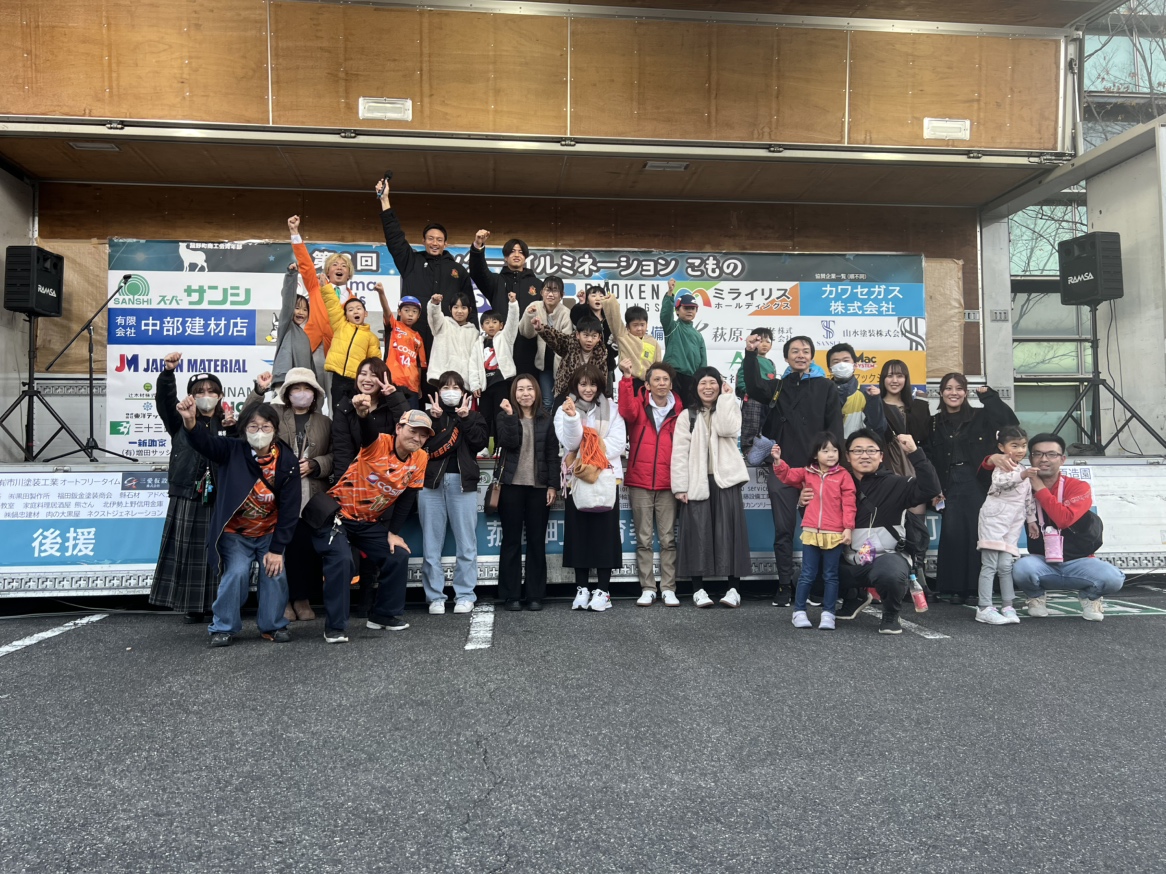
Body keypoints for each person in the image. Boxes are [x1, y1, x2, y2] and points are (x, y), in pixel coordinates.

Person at [177, 397, 300, 647]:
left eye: (266, 426)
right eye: (253, 426)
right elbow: (204, 443)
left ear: (275, 430)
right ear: (244, 429)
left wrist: (277, 549)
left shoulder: (287, 461)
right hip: (235, 534)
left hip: (269, 532)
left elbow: (290, 508)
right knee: (236, 573)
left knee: (275, 573)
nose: (259, 432)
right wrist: (190, 421)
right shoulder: (231, 450)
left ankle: (273, 625)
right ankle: (223, 627)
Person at [313, 405, 432, 643]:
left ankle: (383, 615)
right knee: (342, 561)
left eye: (423, 435)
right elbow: (368, 432)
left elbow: (407, 497)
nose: (417, 438)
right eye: (413, 431)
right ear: (398, 428)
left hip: (367, 522)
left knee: (397, 554)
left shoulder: (421, 457)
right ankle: (335, 627)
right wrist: (363, 415)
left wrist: (393, 533)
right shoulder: (378, 444)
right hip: (337, 515)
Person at [742, 333, 843, 606]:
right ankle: (784, 585)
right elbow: (753, 385)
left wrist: (834, 467)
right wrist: (750, 355)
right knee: (783, 531)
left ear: (812, 357)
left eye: (806, 351)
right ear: (786, 357)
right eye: (795, 351)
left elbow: (835, 429)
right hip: (782, 470)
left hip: (816, 472)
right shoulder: (778, 385)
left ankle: (817, 586)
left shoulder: (826, 387)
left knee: (820, 531)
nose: (801, 355)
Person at [149, 353, 235, 623]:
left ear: (220, 395)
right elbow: (165, 401)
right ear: (191, 397)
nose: (206, 395)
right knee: (188, 550)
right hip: (188, 492)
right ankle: (191, 605)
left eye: (212, 391)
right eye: (200, 392)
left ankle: (219, 603)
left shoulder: (228, 423)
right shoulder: (180, 420)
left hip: (220, 496)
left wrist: (234, 429)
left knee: (219, 550)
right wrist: (167, 374)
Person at [246, 367, 333, 623]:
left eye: (307, 389)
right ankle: (281, 598)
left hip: (311, 492)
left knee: (305, 547)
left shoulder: (324, 422)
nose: (302, 393)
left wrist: (316, 464)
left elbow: (336, 455)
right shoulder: (274, 413)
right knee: (280, 545)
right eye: (296, 388)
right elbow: (247, 421)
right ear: (287, 393)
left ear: (315, 394)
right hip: (278, 491)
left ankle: (302, 598)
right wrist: (258, 391)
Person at [925, 373, 1018, 605]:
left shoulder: (980, 415)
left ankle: (978, 588)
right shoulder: (934, 422)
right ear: (941, 393)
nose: (953, 393)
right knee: (953, 533)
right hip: (948, 481)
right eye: (948, 388)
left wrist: (989, 397)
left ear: (966, 392)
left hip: (977, 479)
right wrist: (934, 489)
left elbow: (1009, 422)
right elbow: (929, 457)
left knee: (979, 532)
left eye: (959, 388)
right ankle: (953, 588)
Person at [1010, 433, 1125, 621]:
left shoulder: (1078, 486)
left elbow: (1063, 519)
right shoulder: (1022, 487)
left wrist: (1040, 488)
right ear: (1030, 458)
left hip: (1080, 561)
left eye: (1051, 454)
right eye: (1038, 454)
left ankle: (1090, 597)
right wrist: (992, 460)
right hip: (1042, 561)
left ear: (1062, 459)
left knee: (1114, 578)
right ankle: (1036, 597)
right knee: (1021, 568)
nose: (1044, 459)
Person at [837, 429, 941, 634]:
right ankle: (854, 597)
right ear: (848, 456)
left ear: (881, 456)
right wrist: (804, 502)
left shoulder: (897, 483)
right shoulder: (838, 484)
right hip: (850, 559)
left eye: (871, 450)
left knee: (889, 573)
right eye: (858, 450)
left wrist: (915, 453)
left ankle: (891, 613)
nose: (864, 455)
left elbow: (930, 489)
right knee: (807, 577)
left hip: (887, 557)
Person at [672, 367, 752, 608]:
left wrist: (727, 398)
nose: (708, 388)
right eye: (703, 383)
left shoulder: (729, 407)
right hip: (697, 482)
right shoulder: (687, 415)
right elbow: (679, 453)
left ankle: (733, 589)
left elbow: (728, 429)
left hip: (725, 481)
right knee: (697, 535)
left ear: (720, 385)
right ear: (695, 388)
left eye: (713, 383)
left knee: (730, 535)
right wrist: (680, 486)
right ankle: (698, 590)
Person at [377, 177, 476, 362]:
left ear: (445, 244)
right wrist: (385, 200)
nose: (434, 243)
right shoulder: (411, 261)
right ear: (423, 241)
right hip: (411, 336)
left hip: (447, 340)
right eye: (430, 238)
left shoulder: (458, 271)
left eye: (439, 240)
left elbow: (470, 307)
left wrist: (472, 339)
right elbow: (395, 238)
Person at [555, 364, 626, 613]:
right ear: (575, 385)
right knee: (579, 535)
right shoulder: (564, 409)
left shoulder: (612, 409)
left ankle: (603, 591)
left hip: (606, 478)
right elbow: (569, 441)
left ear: (600, 386)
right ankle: (582, 588)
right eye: (583, 384)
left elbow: (618, 443)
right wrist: (573, 418)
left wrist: (588, 450)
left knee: (605, 535)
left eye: (593, 384)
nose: (588, 389)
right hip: (577, 479)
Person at [420, 372, 489, 614]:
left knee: (466, 544)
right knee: (431, 544)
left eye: (456, 387)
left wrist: (466, 418)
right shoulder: (427, 417)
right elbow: (421, 446)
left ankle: (465, 595)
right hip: (430, 484)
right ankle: (435, 597)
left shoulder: (475, 416)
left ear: (463, 392)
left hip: (462, 483)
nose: (451, 391)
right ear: (438, 392)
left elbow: (479, 443)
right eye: (446, 387)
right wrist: (435, 419)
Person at [772, 433, 856, 630]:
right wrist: (777, 461)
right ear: (815, 454)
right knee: (807, 574)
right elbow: (787, 475)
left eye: (834, 450)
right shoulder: (807, 472)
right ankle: (799, 612)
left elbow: (849, 503)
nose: (831, 454)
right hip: (811, 531)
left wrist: (848, 528)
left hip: (834, 533)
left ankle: (829, 614)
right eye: (825, 450)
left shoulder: (844, 475)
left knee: (831, 575)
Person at [618, 360, 684, 607]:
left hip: (668, 483)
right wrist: (627, 378)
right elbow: (626, 410)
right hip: (640, 481)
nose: (662, 383)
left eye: (666, 379)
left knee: (668, 539)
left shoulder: (680, 411)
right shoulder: (639, 405)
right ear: (647, 385)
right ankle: (647, 587)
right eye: (656, 379)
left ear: (671, 384)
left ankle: (668, 588)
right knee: (644, 540)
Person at [494, 374, 559, 611]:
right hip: (511, 486)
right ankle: (511, 595)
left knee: (536, 541)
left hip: (538, 488)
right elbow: (507, 442)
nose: (525, 394)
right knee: (511, 540)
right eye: (520, 389)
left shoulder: (546, 419)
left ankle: (535, 595)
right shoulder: (504, 416)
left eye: (529, 389)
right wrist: (511, 416)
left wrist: (552, 486)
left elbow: (552, 455)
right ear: (514, 393)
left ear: (537, 392)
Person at [973, 426, 1037, 626]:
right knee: (990, 565)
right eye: (1014, 445)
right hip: (995, 518)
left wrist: (1031, 520)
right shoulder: (1003, 465)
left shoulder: (1022, 468)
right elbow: (1001, 482)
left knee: (1005, 566)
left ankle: (1008, 606)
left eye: (1023, 445)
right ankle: (984, 607)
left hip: (1014, 521)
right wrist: (1022, 475)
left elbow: (1028, 498)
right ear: (1001, 447)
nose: (1020, 450)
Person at [877, 359, 933, 580]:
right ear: (882, 379)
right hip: (887, 470)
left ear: (906, 379)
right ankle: (894, 576)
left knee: (917, 527)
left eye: (899, 375)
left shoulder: (918, 406)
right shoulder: (875, 405)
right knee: (889, 527)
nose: (894, 380)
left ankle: (918, 577)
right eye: (889, 375)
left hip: (914, 468)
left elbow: (925, 439)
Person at [469, 229, 543, 377]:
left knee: (527, 386)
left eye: (520, 252)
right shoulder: (496, 281)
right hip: (501, 347)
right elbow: (478, 272)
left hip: (529, 347)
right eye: (512, 251)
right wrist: (478, 246)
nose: (516, 255)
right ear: (505, 257)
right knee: (502, 386)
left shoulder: (537, 284)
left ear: (525, 257)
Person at [331, 358, 409, 484]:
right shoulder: (345, 407)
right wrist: (342, 485)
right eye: (363, 374)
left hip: (390, 476)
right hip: (357, 475)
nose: (367, 379)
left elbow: (407, 430)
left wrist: (393, 397)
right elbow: (342, 451)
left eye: (374, 375)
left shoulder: (392, 403)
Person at [287, 214, 340, 389]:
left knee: (335, 400)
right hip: (311, 348)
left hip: (336, 353)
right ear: (327, 270)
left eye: (344, 266)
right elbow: (305, 264)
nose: (339, 268)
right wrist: (294, 232)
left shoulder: (353, 301)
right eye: (335, 265)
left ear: (349, 274)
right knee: (308, 397)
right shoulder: (315, 286)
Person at [320, 281, 380, 411]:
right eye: (350, 310)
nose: (355, 311)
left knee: (354, 412)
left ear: (365, 313)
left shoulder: (372, 337)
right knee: (337, 411)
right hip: (338, 378)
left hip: (356, 381)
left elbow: (375, 363)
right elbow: (332, 305)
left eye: (359, 308)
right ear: (346, 315)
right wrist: (326, 287)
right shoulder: (340, 325)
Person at [518, 275, 574, 409]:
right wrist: (529, 316)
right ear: (542, 292)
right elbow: (526, 333)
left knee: (562, 401)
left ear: (562, 295)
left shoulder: (566, 313)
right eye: (548, 290)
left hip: (562, 366)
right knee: (547, 401)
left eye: (555, 290)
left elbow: (565, 342)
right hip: (544, 365)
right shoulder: (534, 307)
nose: (551, 294)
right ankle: (547, 423)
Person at [532, 309, 609, 401]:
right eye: (586, 335)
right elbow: (556, 337)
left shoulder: (601, 354)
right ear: (577, 335)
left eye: (594, 336)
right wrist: (541, 329)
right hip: (565, 393)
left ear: (599, 337)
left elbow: (602, 380)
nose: (589, 340)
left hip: (589, 395)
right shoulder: (569, 344)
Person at [271, 260, 325, 391]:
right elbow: (288, 300)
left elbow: (309, 362)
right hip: (284, 380)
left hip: (302, 383)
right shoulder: (286, 325)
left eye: (305, 309)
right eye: (297, 308)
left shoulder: (304, 336)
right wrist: (291, 274)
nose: (301, 312)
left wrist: (313, 382)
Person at [478, 295, 522, 451]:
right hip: (485, 386)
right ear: (482, 326)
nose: (491, 325)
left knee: (501, 415)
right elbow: (473, 365)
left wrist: (513, 304)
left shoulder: (506, 338)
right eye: (487, 323)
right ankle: (483, 447)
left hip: (502, 383)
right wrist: (475, 384)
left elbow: (513, 321)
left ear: (501, 325)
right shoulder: (478, 343)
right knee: (484, 417)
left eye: (495, 322)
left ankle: (500, 446)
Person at [375, 283, 426, 410]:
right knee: (390, 417)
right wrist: (381, 293)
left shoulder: (418, 337)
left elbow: (419, 365)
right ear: (399, 312)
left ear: (418, 316)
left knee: (410, 418)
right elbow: (386, 311)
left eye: (414, 311)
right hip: (392, 383)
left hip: (412, 388)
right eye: (406, 310)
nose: (410, 314)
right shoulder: (393, 326)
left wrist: (419, 387)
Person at [602, 292, 661, 396]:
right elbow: (615, 319)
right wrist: (611, 301)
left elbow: (658, 364)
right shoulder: (623, 337)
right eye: (635, 325)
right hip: (629, 380)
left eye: (642, 325)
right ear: (627, 326)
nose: (639, 328)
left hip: (649, 384)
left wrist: (657, 380)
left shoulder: (653, 342)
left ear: (647, 324)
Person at [427, 292, 486, 394]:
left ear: (469, 310)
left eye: (463, 307)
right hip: (442, 379)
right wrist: (435, 304)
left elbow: (475, 361)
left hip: (464, 384)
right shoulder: (442, 323)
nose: (459, 311)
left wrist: (475, 383)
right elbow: (434, 316)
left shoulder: (474, 333)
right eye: (455, 307)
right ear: (450, 309)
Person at [660, 278, 707, 403]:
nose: (690, 311)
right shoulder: (672, 327)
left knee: (689, 411)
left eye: (693, 308)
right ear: (677, 310)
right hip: (673, 375)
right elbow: (665, 315)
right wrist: (670, 293)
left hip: (692, 379)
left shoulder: (698, 336)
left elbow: (703, 362)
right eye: (686, 308)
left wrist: (701, 379)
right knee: (672, 408)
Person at [826, 343, 886, 438]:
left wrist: (874, 401)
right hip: (829, 446)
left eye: (846, 360)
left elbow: (878, 428)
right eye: (836, 362)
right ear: (830, 369)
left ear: (855, 365)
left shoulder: (867, 395)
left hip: (857, 446)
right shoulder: (822, 394)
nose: (842, 365)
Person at [737, 327, 776, 463]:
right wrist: (746, 391)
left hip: (768, 400)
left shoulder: (771, 363)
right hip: (753, 399)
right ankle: (748, 450)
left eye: (768, 341)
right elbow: (741, 378)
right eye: (761, 341)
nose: (764, 344)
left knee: (766, 424)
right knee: (751, 424)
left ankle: (764, 450)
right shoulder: (749, 360)